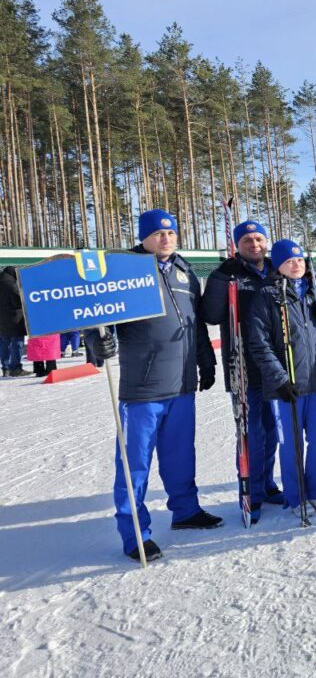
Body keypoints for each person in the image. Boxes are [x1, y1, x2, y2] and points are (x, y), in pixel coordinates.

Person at [87, 208, 221, 563]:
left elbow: (195, 323)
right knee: (135, 465)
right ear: (144, 238)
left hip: (181, 383)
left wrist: (205, 360)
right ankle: (134, 534)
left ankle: (186, 511)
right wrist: (95, 341)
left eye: (171, 233)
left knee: (181, 455)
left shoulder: (184, 270)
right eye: (158, 234)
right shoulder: (125, 270)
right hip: (143, 388)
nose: (166, 238)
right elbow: (95, 315)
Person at [200, 219, 283, 524]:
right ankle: (252, 493)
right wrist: (221, 279)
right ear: (237, 245)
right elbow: (210, 315)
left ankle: (268, 483)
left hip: (276, 367)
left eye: (259, 239)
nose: (254, 245)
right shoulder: (229, 273)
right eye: (247, 241)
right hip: (244, 367)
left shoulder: (278, 269)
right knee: (251, 434)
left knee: (274, 431)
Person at [248, 239, 316, 516]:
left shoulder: (313, 293)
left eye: (299, 260)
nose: (296, 265)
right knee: (292, 446)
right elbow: (259, 343)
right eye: (289, 261)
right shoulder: (267, 296)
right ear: (278, 265)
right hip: (287, 387)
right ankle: (295, 498)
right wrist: (279, 378)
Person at [0, 266, 29, 377]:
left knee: (4, 343)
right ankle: (15, 368)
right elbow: (18, 300)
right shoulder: (11, 284)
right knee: (17, 342)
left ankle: (5, 368)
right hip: (14, 318)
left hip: (2, 319)